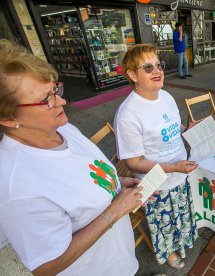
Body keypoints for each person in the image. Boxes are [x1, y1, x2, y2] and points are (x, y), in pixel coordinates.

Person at [0, 39, 145, 275]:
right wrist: (116, 210)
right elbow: (46, 266)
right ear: (8, 119)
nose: (62, 101)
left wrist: (115, 183)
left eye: (55, 90)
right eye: (46, 99)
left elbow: (81, 177)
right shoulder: (17, 185)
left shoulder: (62, 128)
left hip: (120, 261)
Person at [114, 44, 199, 269]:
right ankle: (169, 251)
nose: (157, 71)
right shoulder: (128, 114)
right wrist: (172, 168)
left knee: (180, 212)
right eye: (148, 67)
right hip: (156, 183)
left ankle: (181, 240)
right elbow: (133, 162)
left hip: (179, 173)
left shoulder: (166, 96)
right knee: (165, 220)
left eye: (158, 65)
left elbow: (174, 125)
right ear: (132, 75)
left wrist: (188, 128)